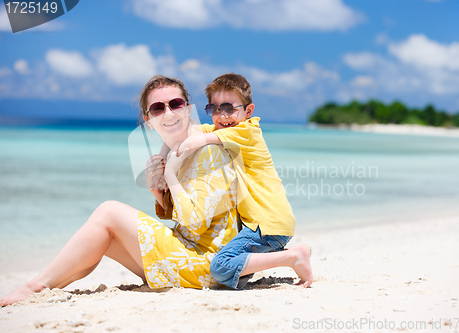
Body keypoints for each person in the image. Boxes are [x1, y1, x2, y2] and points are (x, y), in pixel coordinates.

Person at [0, 75, 239, 307]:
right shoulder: (176, 151)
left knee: (108, 212)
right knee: (101, 240)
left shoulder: (208, 150)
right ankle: (44, 287)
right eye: (157, 108)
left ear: (187, 108)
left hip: (210, 267)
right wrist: (157, 192)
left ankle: (35, 287)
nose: (168, 113)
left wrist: (170, 177)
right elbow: (189, 219)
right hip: (192, 258)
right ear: (148, 120)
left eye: (175, 104)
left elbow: (195, 225)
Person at [177, 73, 313, 289]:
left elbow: (198, 138)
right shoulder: (227, 129)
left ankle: (293, 257)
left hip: (266, 224)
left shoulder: (247, 131)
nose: (222, 116)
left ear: (248, 111)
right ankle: (290, 255)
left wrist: (178, 153)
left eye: (230, 108)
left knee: (221, 266)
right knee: (237, 274)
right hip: (268, 224)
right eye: (214, 109)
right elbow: (193, 130)